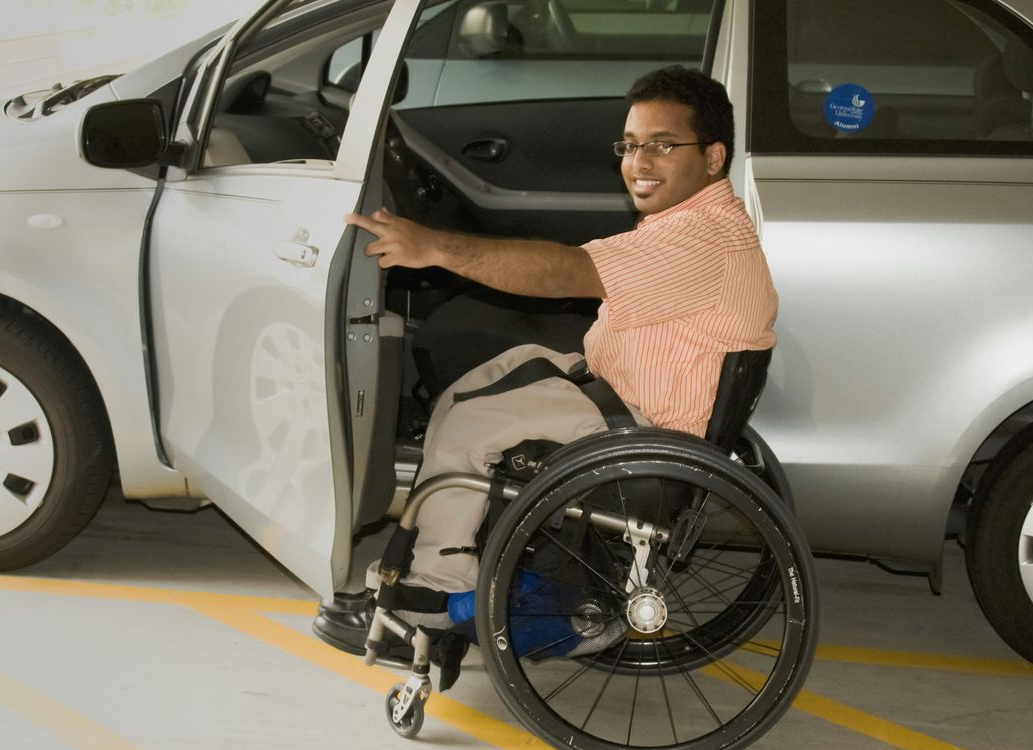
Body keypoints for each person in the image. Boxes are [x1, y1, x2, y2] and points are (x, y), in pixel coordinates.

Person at [312, 65, 778, 658]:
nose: (639, 162)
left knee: (468, 424)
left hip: (639, 432)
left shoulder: (696, 241)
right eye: (630, 145)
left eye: (662, 145)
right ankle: (444, 554)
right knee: (473, 386)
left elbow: (563, 271)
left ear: (713, 158)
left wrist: (434, 246)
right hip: (625, 395)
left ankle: (434, 595)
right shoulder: (704, 224)